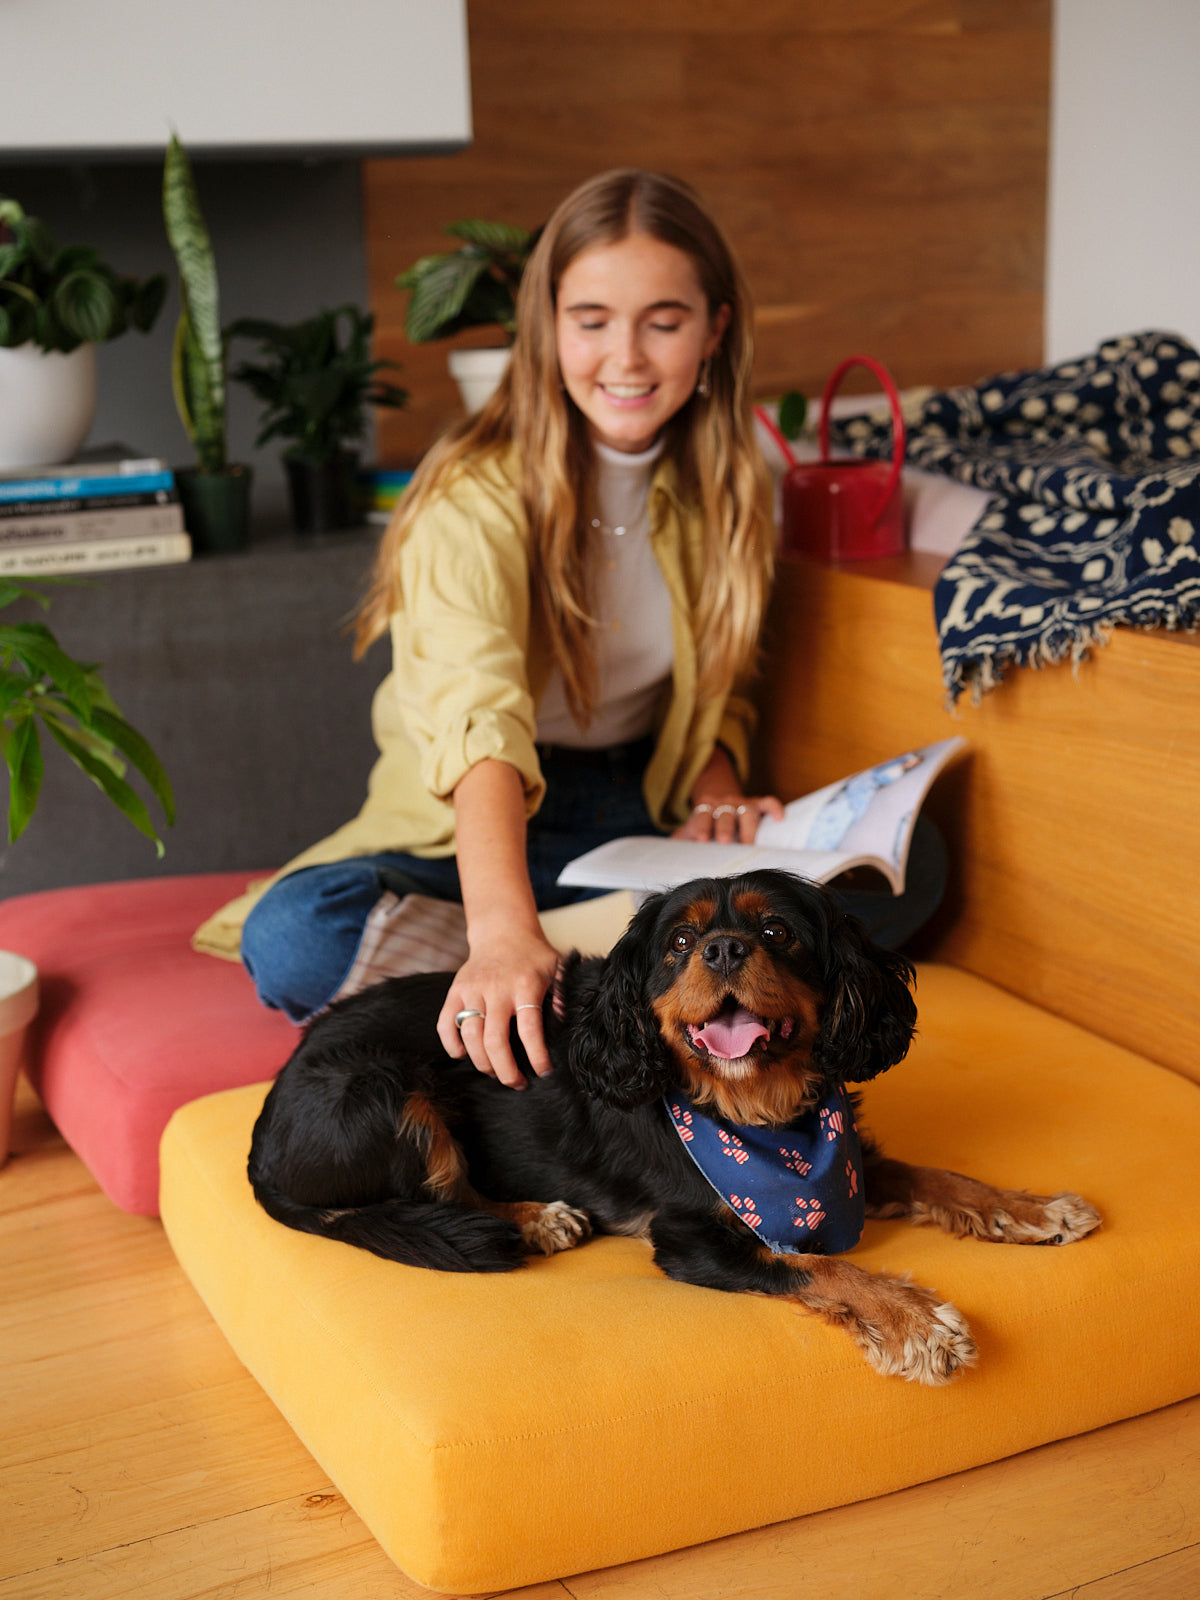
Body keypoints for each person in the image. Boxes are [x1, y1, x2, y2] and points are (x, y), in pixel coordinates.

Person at [195, 168, 943, 1087]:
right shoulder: (469, 495)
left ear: (713, 330)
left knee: (916, 871)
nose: (624, 357)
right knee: (296, 936)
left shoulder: (730, 483)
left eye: (662, 321)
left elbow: (721, 687)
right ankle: (586, 965)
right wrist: (502, 931)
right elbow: (481, 730)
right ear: (547, 328)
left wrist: (718, 794)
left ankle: (603, 977)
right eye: (591, 320)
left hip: (641, 807)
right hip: (486, 813)